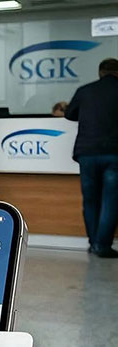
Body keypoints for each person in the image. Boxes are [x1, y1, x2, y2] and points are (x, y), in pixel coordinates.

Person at [64, 58, 118, 258]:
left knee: (90, 200)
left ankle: (93, 242)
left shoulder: (85, 90)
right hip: (114, 153)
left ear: (100, 73)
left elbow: (69, 114)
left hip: (86, 153)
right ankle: (102, 246)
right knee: (110, 201)